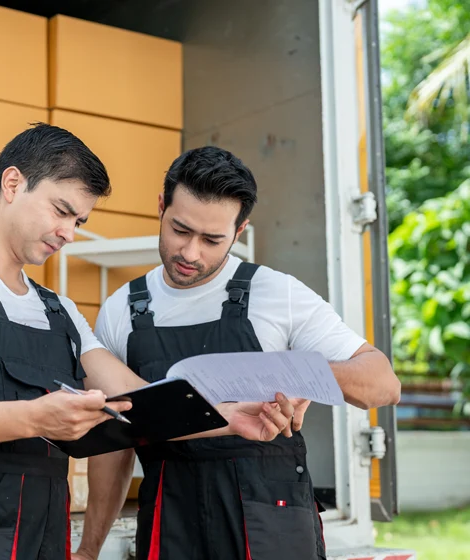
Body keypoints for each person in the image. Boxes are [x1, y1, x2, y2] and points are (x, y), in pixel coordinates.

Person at [0, 125, 298, 560]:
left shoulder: (61, 312)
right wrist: (35, 418)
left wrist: (228, 416)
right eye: (61, 210)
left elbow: (140, 405)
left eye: (79, 221)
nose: (69, 233)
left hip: (44, 544)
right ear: (12, 183)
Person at [72, 146, 402, 560]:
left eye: (212, 239)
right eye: (180, 230)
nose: (191, 253)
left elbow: (383, 384)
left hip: (270, 523)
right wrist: (88, 550)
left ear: (240, 230)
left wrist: (293, 374)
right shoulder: (122, 309)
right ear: (161, 207)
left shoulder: (277, 293)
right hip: (171, 521)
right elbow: (115, 442)